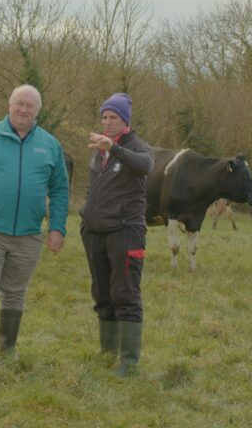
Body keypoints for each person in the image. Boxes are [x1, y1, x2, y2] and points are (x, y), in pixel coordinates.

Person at [0, 84, 70, 359]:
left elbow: (60, 189)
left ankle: (8, 348)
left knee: (16, 292)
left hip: (29, 234)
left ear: (37, 111)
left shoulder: (50, 145)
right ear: (10, 106)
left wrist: (57, 227)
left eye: (29, 106)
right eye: (19, 104)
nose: (23, 109)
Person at [80, 92, 154, 376]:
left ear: (125, 120)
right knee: (102, 294)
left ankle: (129, 361)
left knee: (125, 294)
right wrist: (86, 216)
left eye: (113, 117)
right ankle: (107, 353)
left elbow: (145, 166)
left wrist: (115, 148)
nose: (107, 122)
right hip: (95, 233)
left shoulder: (138, 147)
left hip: (126, 232)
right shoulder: (98, 149)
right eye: (104, 117)